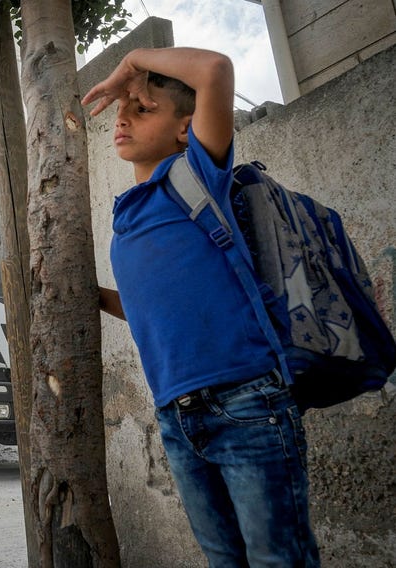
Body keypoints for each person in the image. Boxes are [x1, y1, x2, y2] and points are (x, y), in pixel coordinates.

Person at [83, 47, 320, 566]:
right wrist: (93, 298)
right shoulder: (127, 216)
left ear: (186, 129)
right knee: (223, 560)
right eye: (122, 112)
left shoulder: (194, 174)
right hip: (177, 416)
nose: (121, 117)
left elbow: (215, 70)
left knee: (278, 560)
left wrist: (130, 63)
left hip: (248, 401)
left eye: (142, 108)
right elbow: (159, 309)